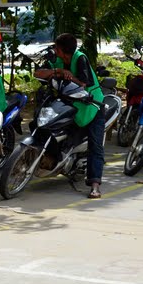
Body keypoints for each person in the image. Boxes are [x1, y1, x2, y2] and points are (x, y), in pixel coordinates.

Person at [34, 33, 105, 199]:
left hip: (92, 104)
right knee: (51, 126)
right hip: (69, 103)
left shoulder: (80, 58)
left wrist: (66, 74)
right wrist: (57, 71)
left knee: (96, 145)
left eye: (56, 47)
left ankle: (95, 185)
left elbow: (83, 83)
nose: (54, 50)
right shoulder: (57, 60)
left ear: (62, 50)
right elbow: (38, 73)